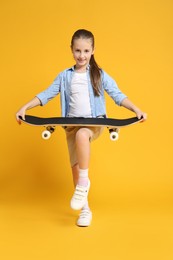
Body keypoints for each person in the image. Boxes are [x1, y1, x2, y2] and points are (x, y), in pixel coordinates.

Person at [16, 29, 147, 227]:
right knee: (75, 169)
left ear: (93, 50)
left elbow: (117, 95)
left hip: (93, 124)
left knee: (83, 135)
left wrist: (136, 109)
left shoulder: (99, 75)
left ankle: (84, 183)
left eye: (86, 51)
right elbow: (46, 94)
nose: (82, 55)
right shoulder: (64, 76)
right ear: (71, 50)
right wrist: (25, 107)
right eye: (78, 50)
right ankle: (85, 210)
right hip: (71, 126)